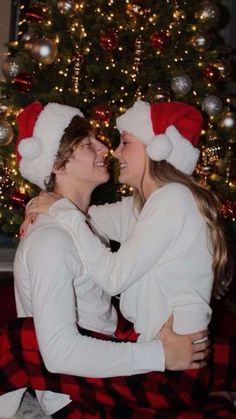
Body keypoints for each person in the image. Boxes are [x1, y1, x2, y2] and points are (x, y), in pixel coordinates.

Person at [0, 102, 209, 419]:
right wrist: (160, 354)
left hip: (112, 359)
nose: (107, 150)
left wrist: (52, 204)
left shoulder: (81, 223)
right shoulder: (51, 241)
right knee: (18, 338)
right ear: (57, 166)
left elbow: (88, 220)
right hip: (77, 395)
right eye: (88, 144)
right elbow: (61, 353)